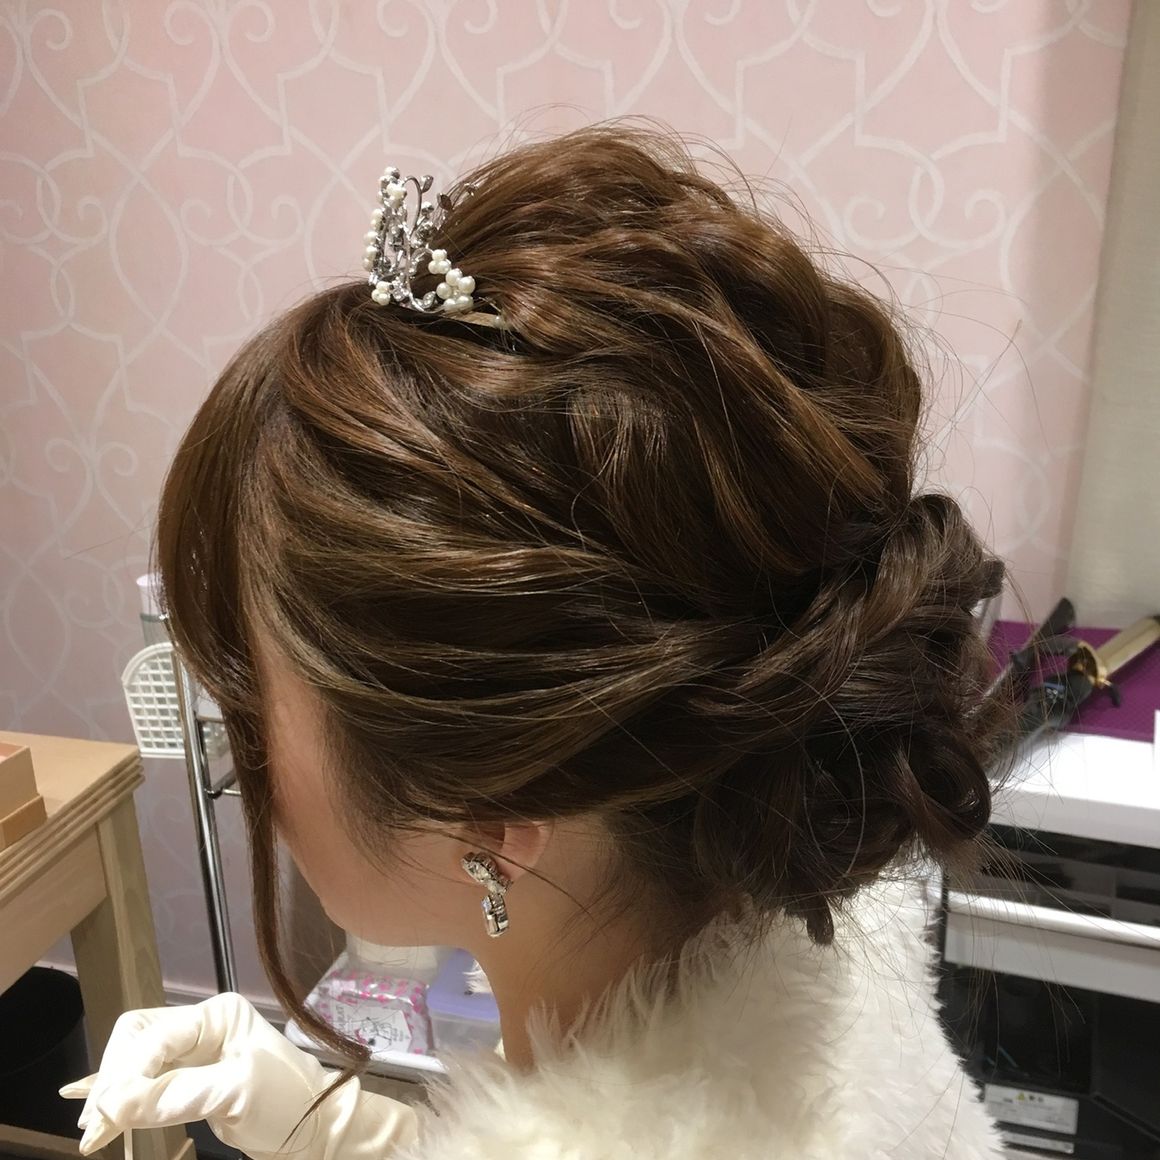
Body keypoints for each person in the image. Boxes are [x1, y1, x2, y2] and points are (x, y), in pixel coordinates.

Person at [62, 124, 1011, 1159]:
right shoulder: (813, 951)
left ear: (490, 815)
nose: (236, 748)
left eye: (251, 691)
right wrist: (341, 1130)